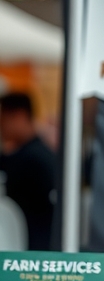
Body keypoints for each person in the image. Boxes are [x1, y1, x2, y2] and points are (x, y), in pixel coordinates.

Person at [0, 92, 56, 250]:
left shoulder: (31, 160)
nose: (1, 126)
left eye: (3, 119)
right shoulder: (38, 153)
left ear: (19, 116)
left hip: (29, 251)